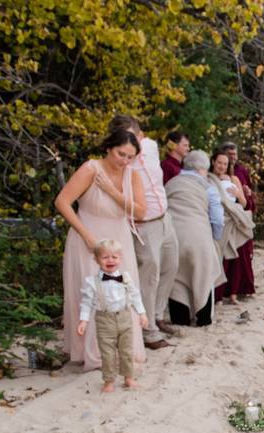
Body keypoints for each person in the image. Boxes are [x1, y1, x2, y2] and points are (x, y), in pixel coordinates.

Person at [56, 128, 147, 371]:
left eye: (130, 156)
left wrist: (112, 191)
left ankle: (121, 352)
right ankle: (94, 355)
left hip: (119, 239)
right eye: (121, 154)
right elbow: (62, 202)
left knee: (122, 293)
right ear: (108, 148)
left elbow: (140, 212)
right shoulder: (90, 169)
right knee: (93, 295)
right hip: (88, 235)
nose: (125, 160)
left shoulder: (132, 175)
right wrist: (86, 236)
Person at [109, 115, 179, 349]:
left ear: (141, 135)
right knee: (149, 278)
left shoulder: (151, 146)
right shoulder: (122, 163)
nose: (134, 144)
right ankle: (149, 332)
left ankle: (158, 315)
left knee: (171, 266)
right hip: (143, 226)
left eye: (135, 137)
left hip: (165, 218)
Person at [77, 239, 149, 392]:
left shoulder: (126, 278)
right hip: (104, 320)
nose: (110, 260)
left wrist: (142, 314)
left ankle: (128, 378)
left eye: (114, 257)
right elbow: (86, 303)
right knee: (107, 353)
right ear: (96, 260)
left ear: (120, 259)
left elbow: (135, 297)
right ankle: (109, 380)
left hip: (125, 318)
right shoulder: (91, 282)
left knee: (127, 351)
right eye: (105, 257)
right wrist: (83, 321)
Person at [164, 149, 225, 327]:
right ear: (201, 169)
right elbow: (217, 219)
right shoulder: (208, 187)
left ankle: (180, 319)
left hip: (173, 236)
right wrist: (215, 238)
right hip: (199, 236)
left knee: (176, 279)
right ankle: (203, 319)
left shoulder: (171, 183)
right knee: (204, 276)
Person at [210, 150, 255, 305]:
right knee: (219, 257)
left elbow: (243, 203)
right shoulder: (209, 179)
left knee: (235, 258)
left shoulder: (234, 178)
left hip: (233, 221)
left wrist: (238, 193)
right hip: (216, 220)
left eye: (225, 163)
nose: (222, 166)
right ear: (213, 162)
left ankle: (233, 293)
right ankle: (217, 294)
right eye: (219, 163)